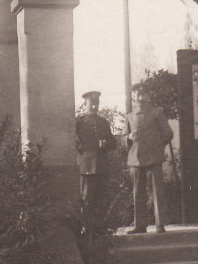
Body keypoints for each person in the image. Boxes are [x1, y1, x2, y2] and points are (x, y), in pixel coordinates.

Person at [126, 89, 174, 234]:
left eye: (142, 94)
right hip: (136, 158)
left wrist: (157, 146)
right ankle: (140, 225)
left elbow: (168, 133)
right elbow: (124, 136)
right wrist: (128, 137)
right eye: (136, 94)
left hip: (153, 156)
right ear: (133, 97)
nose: (139, 97)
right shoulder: (129, 116)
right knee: (138, 193)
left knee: (157, 191)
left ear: (147, 97)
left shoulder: (156, 113)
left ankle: (160, 224)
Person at [75, 91, 116, 225]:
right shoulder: (78, 123)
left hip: (101, 166)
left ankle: (100, 229)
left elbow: (113, 143)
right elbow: (72, 143)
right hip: (86, 166)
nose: (94, 107)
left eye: (96, 103)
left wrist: (106, 144)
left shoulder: (103, 122)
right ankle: (86, 228)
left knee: (101, 198)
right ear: (85, 104)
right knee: (86, 198)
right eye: (91, 103)